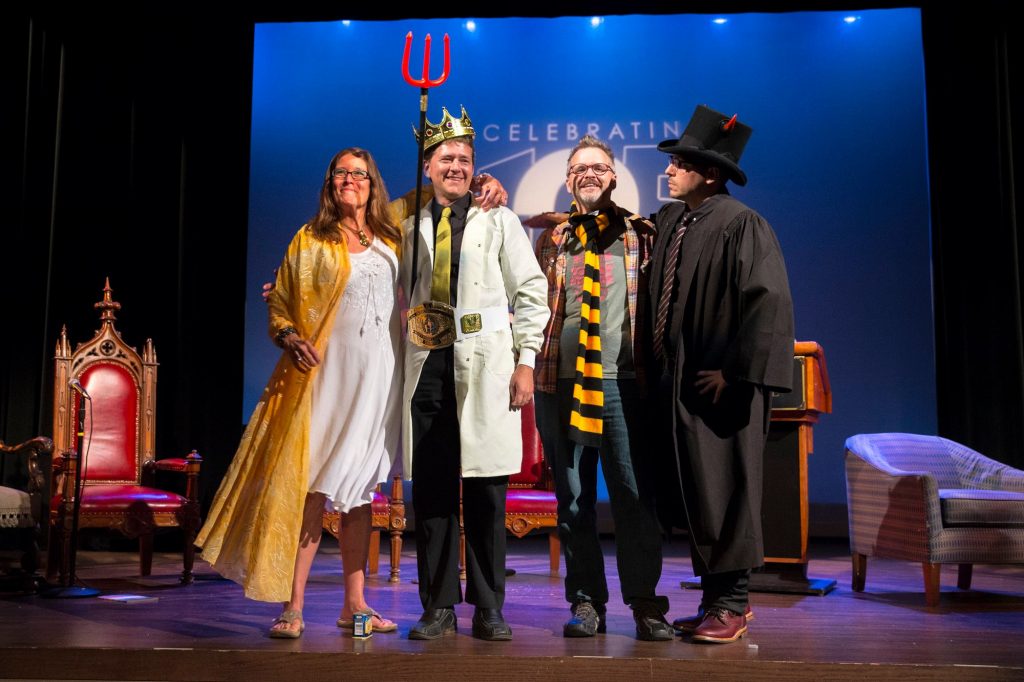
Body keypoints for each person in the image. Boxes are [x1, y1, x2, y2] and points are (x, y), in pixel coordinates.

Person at [196, 147, 404, 638]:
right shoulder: (311, 239)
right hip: (327, 379)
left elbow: (430, 196)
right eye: (340, 173)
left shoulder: (392, 235)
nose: (349, 180)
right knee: (312, 488)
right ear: (330, 182)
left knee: (359, 493)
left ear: (373, 183)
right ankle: (293, 605)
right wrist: (289, 337)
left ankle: (355, 605)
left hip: (379, 379)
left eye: (358, 173)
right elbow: (283, 305)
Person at [648, 105, 794, 643]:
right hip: (679, 386)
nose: (668, 170)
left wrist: (735, 374)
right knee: (698, 496)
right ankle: (715, 601)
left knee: (728, 490)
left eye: (679, 163)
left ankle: (732, 604)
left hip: (722, 389)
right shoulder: (674, 222)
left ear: (709, 172)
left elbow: (768, 302)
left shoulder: (743, 225)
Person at [402, 106, 549, 641]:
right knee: (434, 492)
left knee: (487, 490)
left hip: (487, 366)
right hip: (427, 369)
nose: (457, 167)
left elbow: (532, 293)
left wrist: (526, 360)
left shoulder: (499, 219)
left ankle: (489, 605)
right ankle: (438, 605)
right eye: (447, 158)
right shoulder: (407, 223)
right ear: (428, 166)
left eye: (465, 159)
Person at [532, 136, 673, 641]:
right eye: (578, 168)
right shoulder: (552, 238)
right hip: (559, 384)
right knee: (572, 501)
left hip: (622, 386)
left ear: (613, 176)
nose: (588, 175)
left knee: (635, 498)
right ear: (568, 179)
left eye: (597, 167)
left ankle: (645, 604)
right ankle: (586, 601)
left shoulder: (641, 235)